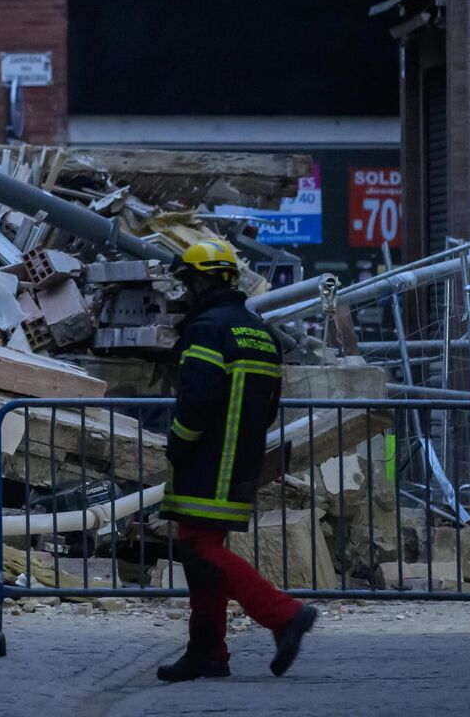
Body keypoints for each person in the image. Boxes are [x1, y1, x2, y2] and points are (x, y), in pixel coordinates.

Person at [156, 238, 318, 682]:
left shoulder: (207, 328)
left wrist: (178, 444)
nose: (185, 291)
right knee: (202, 555)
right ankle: (208, 653)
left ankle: (285, 615)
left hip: (207, 461)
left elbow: (198, 399)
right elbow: (269, 403)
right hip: (240, 462)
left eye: (188, 281)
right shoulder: (258, 330)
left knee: (200, 551)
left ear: (204, 279)